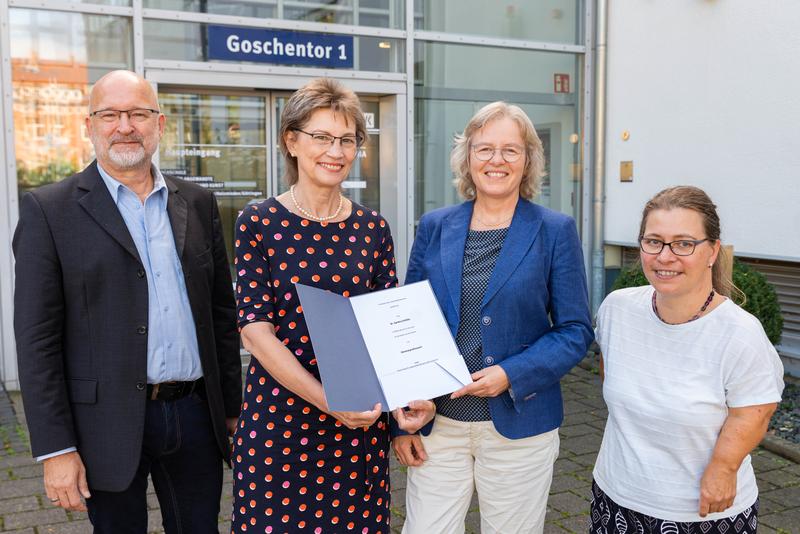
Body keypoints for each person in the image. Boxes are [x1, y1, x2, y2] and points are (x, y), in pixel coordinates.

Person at [12, 70, 242, 533]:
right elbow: (36, 340)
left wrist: (231, 411)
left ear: (159, 124)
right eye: (110, 114)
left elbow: (221, 314)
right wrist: (56, 449)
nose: (125, 125)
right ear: (89, 125)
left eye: (137, 113)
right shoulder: (49, 210)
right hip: (104, 424)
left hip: (195, 413)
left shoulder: (196, 202)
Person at [231, 78, 433, 534]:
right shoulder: (258, 222)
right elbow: (254, 332)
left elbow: (390, 329)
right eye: (321, 137)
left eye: (347, 139)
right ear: (292, 141)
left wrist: (403, 421)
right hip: (281, 425)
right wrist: (327, 401)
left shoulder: (373, 228)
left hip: (358, 429)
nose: (335, 151)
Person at [393, 101, 594, 534]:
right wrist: (401, 423)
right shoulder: (434, 225)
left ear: (528, 161)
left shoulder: (554, 230)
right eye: (484, 149)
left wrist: (511, 372)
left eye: (510, 150)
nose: (496, 161)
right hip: (437, 422)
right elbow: (408, 324)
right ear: (468, 158)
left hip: (518, 427)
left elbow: (576, 331)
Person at [592, 186, 784, 533]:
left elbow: (756, 410)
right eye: (654, 241)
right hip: (615, 496)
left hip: (700, 512)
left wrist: (724, 468)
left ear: (711, 251)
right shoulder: (617, 309)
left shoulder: (740, 333)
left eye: (684, 243)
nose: (665, 256)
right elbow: (612, 374)